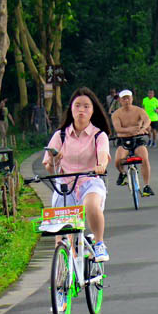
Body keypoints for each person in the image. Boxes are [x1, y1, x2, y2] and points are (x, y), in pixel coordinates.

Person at [44, 88, 113, 262]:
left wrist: (100, 166)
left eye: (86, 106)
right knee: (61, 234)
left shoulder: (99, 135)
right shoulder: (60, 135)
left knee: (91, 204)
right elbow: (48, 167)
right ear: (71, 109)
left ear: (92, 111)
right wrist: (55, 161)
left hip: (89, 181)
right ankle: (64, 271)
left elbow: (103, 156)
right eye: (77, 106)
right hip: (65, 185)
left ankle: (99, 244)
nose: (81, 110)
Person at [110, 90, 155, 196]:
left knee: (144, 158)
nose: (126, 100)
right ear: (120, 100)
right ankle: (123, 173)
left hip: (137, 140)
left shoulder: (139, 110)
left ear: (132, 98)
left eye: (128, 98)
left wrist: (143, 128)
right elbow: (118, 128)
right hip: (124, 141)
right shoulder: (116, 114)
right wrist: (133, 129)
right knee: (117, 161)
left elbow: (147, 120)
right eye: (124, 98)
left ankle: (146, 186)